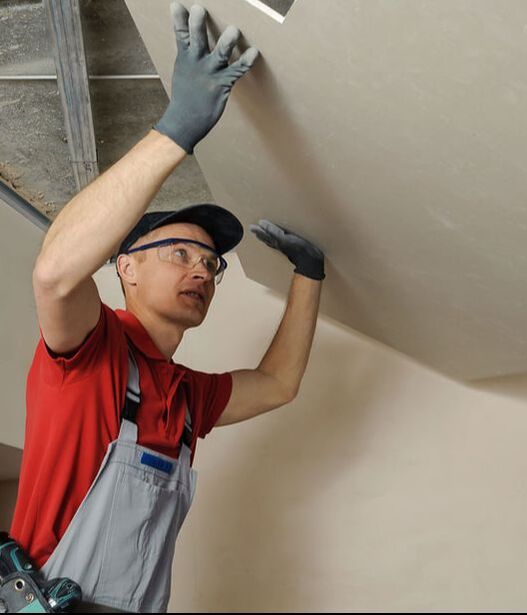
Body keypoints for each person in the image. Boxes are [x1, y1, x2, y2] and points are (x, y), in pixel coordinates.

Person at [11, 3, 325, 611]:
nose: (201, 270)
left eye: (211, 263)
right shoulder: (89, 349)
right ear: (125, 267)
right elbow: (53, 275)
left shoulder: (186, 396)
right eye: (180, 251)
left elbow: (278, 383)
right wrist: (176, 129)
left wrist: (309, 276)